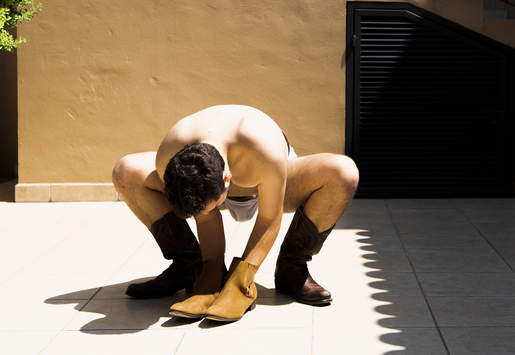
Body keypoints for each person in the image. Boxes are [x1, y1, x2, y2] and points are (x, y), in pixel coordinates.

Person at [112, 105, 359, 322]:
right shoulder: (169, 155)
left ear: (226, 178)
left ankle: (291, 269)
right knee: (126, 170)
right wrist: (211, 272)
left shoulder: (263, 148)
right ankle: (191, 268)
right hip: (217, 185)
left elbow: (268, 219)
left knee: (344, 172)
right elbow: (206, 215)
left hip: (265, 176)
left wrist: (242, 279)